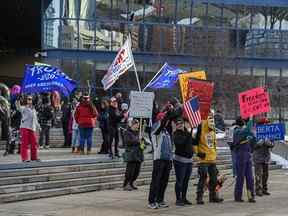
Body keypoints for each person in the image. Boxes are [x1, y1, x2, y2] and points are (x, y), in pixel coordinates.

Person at [195, 111, 224, 204]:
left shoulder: (213, 129)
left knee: (214, 179)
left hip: (212, 159)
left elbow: (214, 144)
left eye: (212, 116)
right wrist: (198, 153)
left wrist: (215, 154)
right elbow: (194, 142)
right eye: (210, 116)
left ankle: (213, 196)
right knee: (203, 178)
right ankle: (199, 197)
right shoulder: (201, 127)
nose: (212, 118)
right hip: (203, 159)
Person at [148, 112, 173, 209]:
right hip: (159, 159)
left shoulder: (166, 131)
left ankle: (160, 199)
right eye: (163, 119)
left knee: (164, 181)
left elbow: (169, 146)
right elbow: (161, 123)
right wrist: (166, 114)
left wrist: (170, 159)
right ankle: (151, 201)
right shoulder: (155, 128)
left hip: (167, 159)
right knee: (156, 181)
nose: (166, 122)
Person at [233, 116, 256, 203]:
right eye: (243, 121)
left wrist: (253, 137)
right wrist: (250, 119)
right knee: (240, 177)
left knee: (250, 178)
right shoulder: (237, 131)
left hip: (247, 156)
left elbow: (252, 138)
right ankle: (238, 196)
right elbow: (246, 131)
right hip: (240, 156)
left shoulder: (244, 131)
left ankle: (251, 196)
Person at [173, 118, 194, 206]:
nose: (180, 125)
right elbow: (180, 143)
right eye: (178, 124)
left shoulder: (187, 133)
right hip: (180, 161)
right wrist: (189, 134)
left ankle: (184, 198)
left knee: (186, 181)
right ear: (176, 126)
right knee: (180, 180)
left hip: (189, 160)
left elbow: (193, 142)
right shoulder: (175, 134)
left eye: (181, 123)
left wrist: (194, 129)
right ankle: (178, 199)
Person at [16, 95, 41, 162]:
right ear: (26, 100)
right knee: (24, 143)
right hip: (24, 127)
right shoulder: (24, 108)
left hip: (32, 128)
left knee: (34, 143)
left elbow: (35, 119)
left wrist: (38, 126)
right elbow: (18, 108)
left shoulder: (34, 109)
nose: (30, 100)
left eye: (30, 99)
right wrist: (18, 100)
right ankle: (24, 158)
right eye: (28, 99)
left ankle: (34, 157)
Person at [253, 118, 274, 196]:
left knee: (265, 174)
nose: (267, 125)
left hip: (266, 157)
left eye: (267, 123)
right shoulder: (255, 133)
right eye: (265, 123)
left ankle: (264, 189)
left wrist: (268, 142)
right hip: (258, 157)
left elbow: (273, 144)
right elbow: (252, 146)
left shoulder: (270, 133)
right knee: (258, 174)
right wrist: (259, 143)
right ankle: (258, 190)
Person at [123, 119, 144, 191]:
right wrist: (138, 140)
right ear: (132, 125)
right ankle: (126, 184)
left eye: (138, 124)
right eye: (136, 124)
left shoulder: (138, 133)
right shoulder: (127, 132)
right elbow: (128, 141)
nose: (137, 126)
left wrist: (143, 144)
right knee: (130, 171)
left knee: (136, 171)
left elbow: (141, 143)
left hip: (138, 154)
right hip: (131, 154)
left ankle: (131, 183)